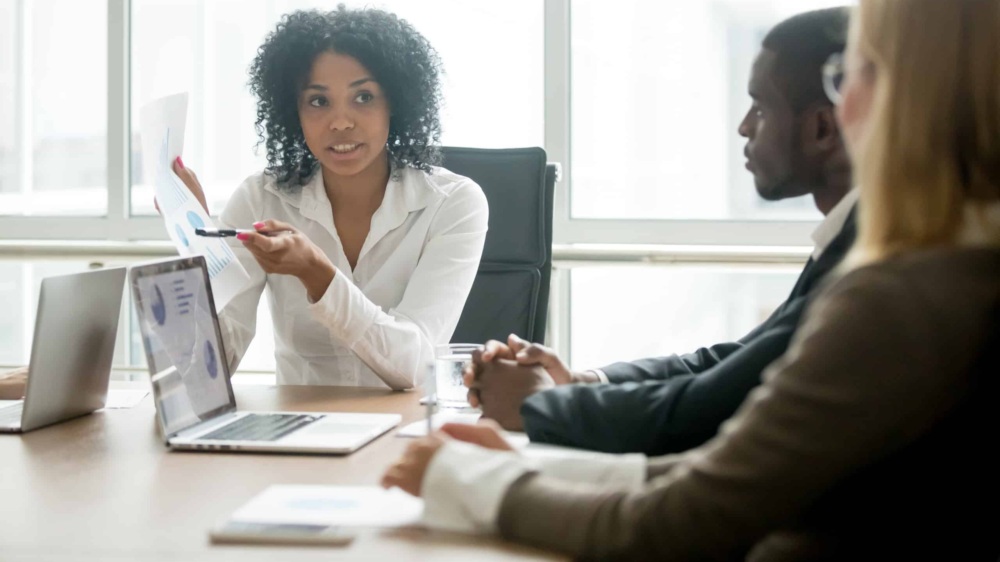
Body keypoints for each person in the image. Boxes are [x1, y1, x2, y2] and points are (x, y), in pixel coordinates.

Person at [383, 0, 1000, 558]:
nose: (845, 105)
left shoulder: (906, 291)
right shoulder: (942, 262)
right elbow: (746, 451)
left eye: (851, 74)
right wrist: (546, 461)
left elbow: (681, 520)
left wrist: (470, 474)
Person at [464, 8, 856, 455]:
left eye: (761, 107)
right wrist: (583, 381)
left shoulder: (866, 259)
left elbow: (707, 409)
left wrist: (544, 404)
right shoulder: (848, 236)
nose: (744, 126)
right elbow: (735, 363)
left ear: (822, 127)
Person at [171, 7, 488, 389]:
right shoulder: (260, 198)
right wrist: (200, 244)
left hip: (406, 434)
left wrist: (317, 273)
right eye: (319, 102)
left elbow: (414, 365)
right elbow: (209, 368)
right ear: (294, 112)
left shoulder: (452, 203)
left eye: (364, 97)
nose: (340, 121)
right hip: (298, 433)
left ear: (396, 103)